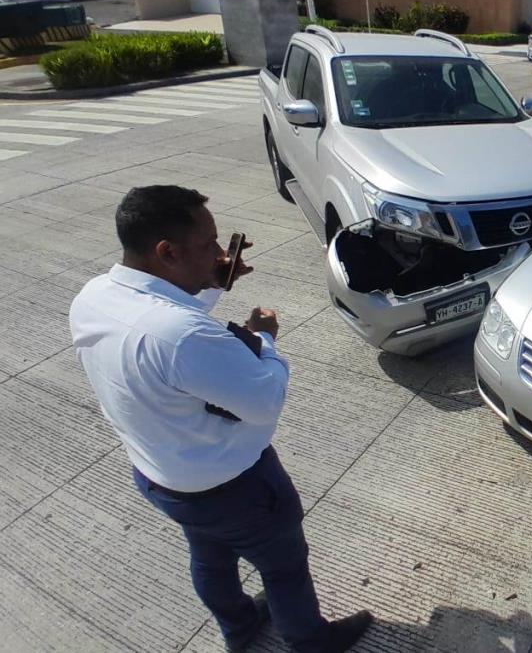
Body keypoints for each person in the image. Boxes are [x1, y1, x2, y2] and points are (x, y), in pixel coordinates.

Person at [69, 185, 372, 653]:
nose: (217, 251)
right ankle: (311, 642)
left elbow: (165, 318)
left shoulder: (93, 297)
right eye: (208, 243)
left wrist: (213, 280)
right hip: (237, 489)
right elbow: (264, 398)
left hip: (161, 477)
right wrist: (265, 340)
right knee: (283, 566)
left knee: (210, 556)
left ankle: (239, 627)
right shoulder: (181, 336)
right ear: (166, 251)